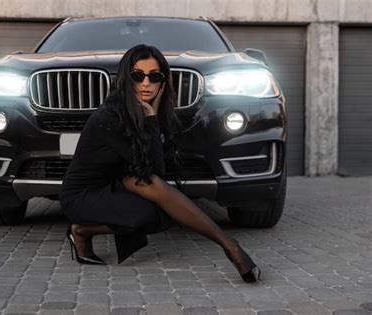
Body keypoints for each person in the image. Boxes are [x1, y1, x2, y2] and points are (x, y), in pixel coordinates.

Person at [59, 44, 261, 283]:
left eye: (154, 76)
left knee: (160, 205)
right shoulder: (110, 116)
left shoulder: (149, 111)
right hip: (81, 196)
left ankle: (229, 246)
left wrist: (153, 118)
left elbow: (155, 170)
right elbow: (152, 171)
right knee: (150, 207)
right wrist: (151, 119)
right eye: (138, 75)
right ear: (126, 78)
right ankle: (81, 230)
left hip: (115, 185)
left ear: (163, 81)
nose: (146, 83)